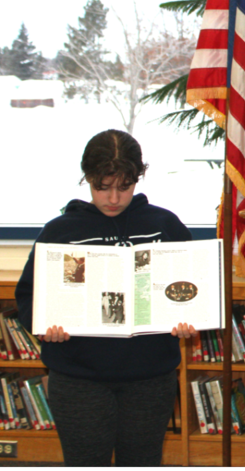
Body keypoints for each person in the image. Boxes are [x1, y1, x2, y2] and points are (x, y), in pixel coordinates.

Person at [15, 129, 196, 467]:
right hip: (79, 377)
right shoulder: (61, 231)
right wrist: (44, 326)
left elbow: (191, 287)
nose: (113, 198)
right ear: (87, 179)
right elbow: (28, 295)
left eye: (123, 187)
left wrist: (191, 319)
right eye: (103, 187)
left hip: (150, 376)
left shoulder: (163, 224)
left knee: (142, 461)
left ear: (137, 179)